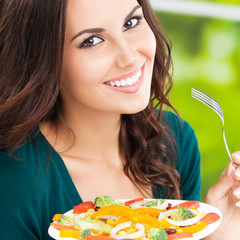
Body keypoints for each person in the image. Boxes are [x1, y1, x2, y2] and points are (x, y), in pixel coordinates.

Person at [0, 0, 239, 239]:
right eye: (91, 41)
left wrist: (221, 233)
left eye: (131, 22)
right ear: (43, 59)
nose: (129, 57)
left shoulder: (174, 141)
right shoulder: (14, 183)